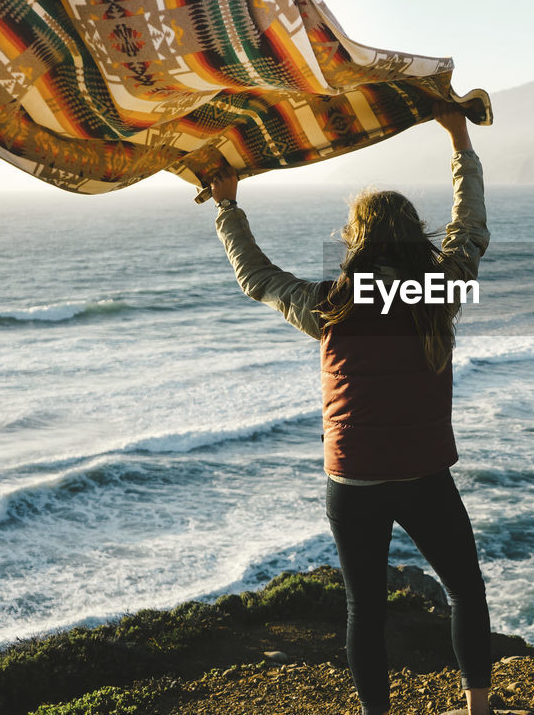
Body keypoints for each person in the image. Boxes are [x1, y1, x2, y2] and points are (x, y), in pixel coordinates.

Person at [208, 105, 493, 715]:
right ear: (413, 234)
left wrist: (229, 209)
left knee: (365, 608)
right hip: (422, 475)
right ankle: (479, 709)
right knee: (465, 589)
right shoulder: (435, 294)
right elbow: (469, 230)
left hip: (352, 478)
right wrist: (459, 142)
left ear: (355, 239)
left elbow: (255, 277)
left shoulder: (328, 305)